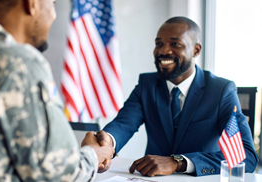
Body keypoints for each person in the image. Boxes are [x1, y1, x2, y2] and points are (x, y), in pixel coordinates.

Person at [95, 16, 258, 177]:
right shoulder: (147, 84)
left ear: (196, 50)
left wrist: (179, 162)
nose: (163, 51)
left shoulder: (221, 90)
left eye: (175, 44)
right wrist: (106, 142)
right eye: (159, 44)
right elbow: (124, 124)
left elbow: (246, 157)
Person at [0, 0, 114, 181]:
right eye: (53, 3)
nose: (54, 14)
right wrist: (94, 153)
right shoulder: (19, 62)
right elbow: (58, 174)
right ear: (33, 4)